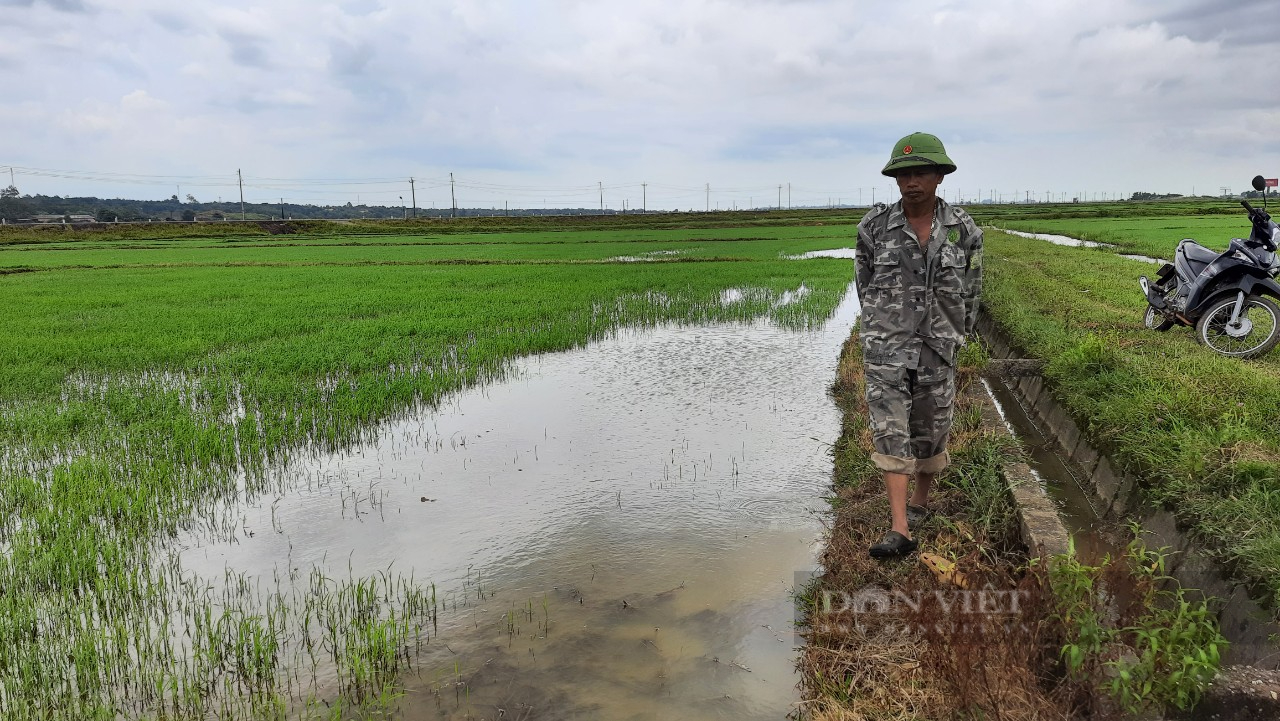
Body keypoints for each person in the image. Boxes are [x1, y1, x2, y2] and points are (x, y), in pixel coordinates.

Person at [854, 132, 983, 558]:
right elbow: (865, 286)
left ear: (939, 176)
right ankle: (899, 527)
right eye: (904, 174)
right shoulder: (873, 228)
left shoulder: (963, 230)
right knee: (890, 431)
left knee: (931, 431)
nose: (912, 181)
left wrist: (955, 336)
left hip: (938, 348)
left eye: (921, 173)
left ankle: (920, 503)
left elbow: (971, 291)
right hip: (887, 348)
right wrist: (882, 329)